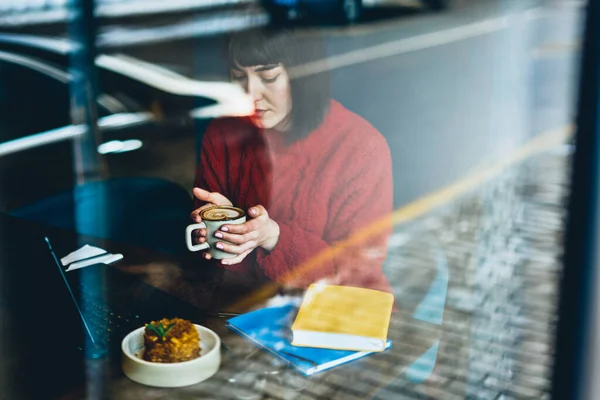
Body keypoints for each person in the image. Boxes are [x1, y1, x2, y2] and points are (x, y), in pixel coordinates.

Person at [191, 28, 393, 292]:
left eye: (269, 76)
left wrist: (274, 237)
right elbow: (209, 255)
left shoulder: (360, 147)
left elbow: (358, 272)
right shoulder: (223, 133)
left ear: (305, 76)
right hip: (244, 307)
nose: (250, 94)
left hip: (335, 313)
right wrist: (226, 234)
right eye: (239, 77)